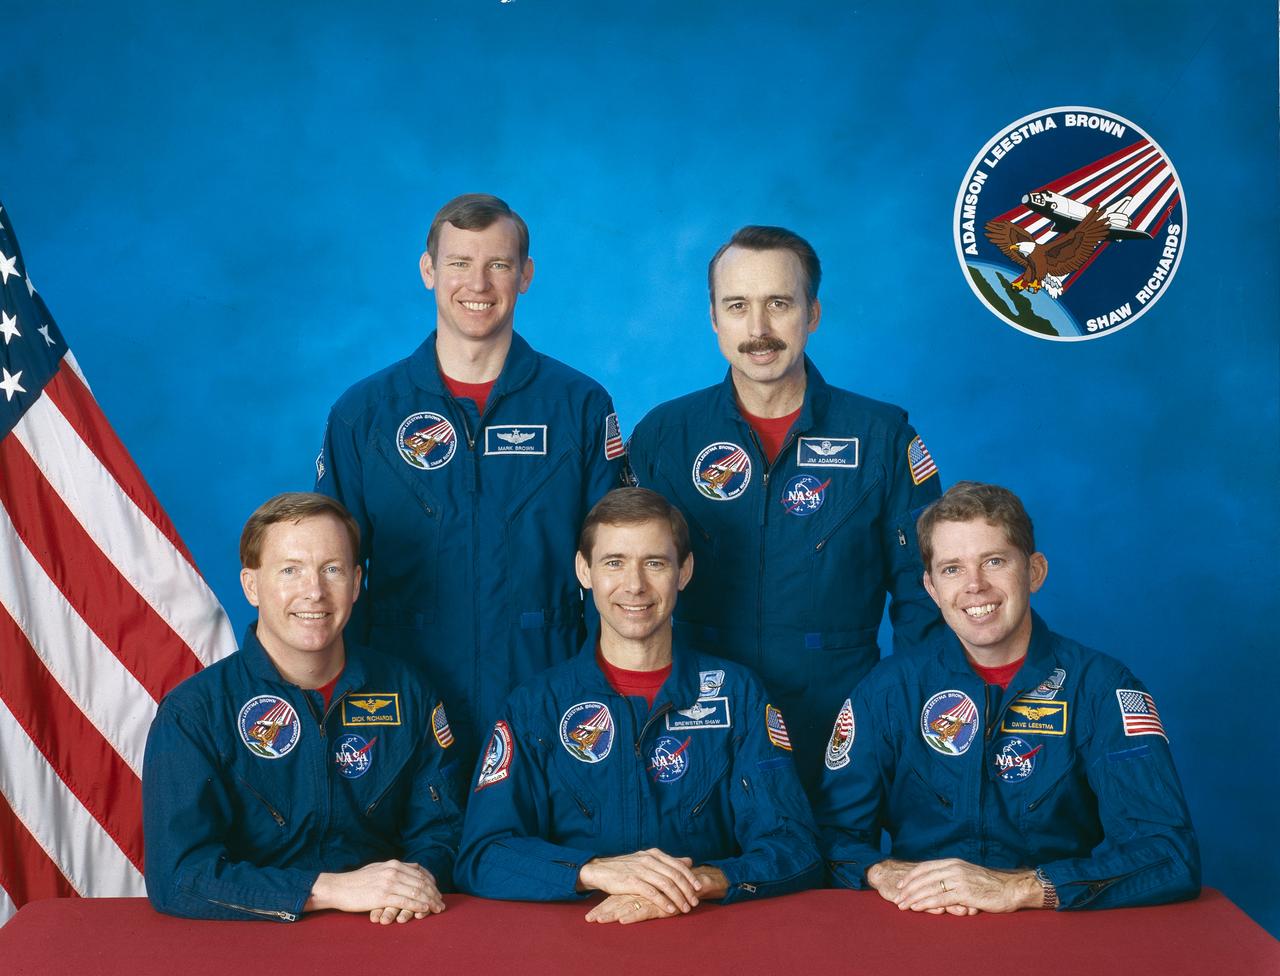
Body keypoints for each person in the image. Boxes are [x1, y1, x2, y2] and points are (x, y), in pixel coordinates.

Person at [627, 225, 942, 787]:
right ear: (714, 319)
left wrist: (906, 717)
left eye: (779, 304)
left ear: (812, 313)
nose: (758, 330)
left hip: (839, 722)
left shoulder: (881, 438)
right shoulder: (664, 436)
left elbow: (926, 594)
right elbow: (615, 582)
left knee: (836, 871)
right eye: (738, 306)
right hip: (695, 726)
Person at [315, 193, 624, 766]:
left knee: (538, 854)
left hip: (546, 693)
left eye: (498, 265)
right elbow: (330, 570)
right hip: (399, 703)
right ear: (428, 270)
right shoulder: (365, 415)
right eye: (459, 263)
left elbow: (619, 565)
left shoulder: (578, 406)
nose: (477, 284)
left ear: (525, 275)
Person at [813, 482, 1200, 913]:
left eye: (994, 561)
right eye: (952, 569)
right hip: (922, 923)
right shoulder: (887, 692)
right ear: (930, 586)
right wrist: (882, 872)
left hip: (1054, 929)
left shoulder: (1102, 689)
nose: (975, 586)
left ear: (1034, 571)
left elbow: (1169, 855)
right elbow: (828, 839)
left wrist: (1020, 888)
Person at [455, 488, 821, 922]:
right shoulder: (536, 706)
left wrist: (698, 882)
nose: (634, 585)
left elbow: (795, 846)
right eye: (614, 562)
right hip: (577, 938)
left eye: (655, 563)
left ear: (684, 571)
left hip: (703, 934)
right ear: (583, 570)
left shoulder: (738, 695)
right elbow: (483, 855)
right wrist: (594, 872)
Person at [143, 493, 463, 922]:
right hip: (251, 941)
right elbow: (179, 878)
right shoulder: (194, 713)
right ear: (251, 586)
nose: (314, 591)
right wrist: (330, 889)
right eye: (290, 571)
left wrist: (411, 885)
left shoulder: (409, 692)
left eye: (331, 570)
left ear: (355, 583)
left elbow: (441, 830)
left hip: (384, 928)